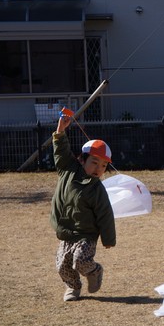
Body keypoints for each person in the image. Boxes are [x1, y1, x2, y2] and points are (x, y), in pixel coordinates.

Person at [50, 114, 116, 301]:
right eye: (94, 162)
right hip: (65, 232)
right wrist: (60, 130)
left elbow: (105, 215)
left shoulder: (97, 189)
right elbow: (61, 151)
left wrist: (108, 239)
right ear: (82, 160)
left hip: (86, 234)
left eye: (103, 166)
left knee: (80, 260)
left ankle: (94, 271)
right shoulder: (67, 170)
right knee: (62, 266)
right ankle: (73, 287)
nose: (98, 168)